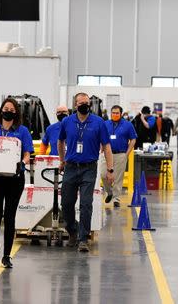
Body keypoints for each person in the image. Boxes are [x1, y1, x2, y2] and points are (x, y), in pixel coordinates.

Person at [0, 98, 34, 269]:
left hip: (15, 179)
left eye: (11, 108)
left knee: (10, 216)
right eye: (5, 108)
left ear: (15, 112)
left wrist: (23, 164)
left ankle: (7, 255)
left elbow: (27, 153)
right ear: (1, 110)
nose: (8, 110)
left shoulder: (22, 131)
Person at [58, 93, 115, 253]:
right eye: (81, 103)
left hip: (89, 168)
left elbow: (107, 146)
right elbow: (60, 141)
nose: (85, 105)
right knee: (66, 204)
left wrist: (110, 169)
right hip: (70, 167)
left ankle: (83, 239)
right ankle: (72, 231)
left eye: (87, 103)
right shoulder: (67, 122)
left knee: (85, 204)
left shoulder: (98, 122)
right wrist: (62, 161)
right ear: (75, 105)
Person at [99, 105, 137, 207]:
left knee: (118, 178)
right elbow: (99, 137)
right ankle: (109, 192)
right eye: (113, 113)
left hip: (120, 154)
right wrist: (100, 148)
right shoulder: (105, 124)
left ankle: (116, 199)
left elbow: (133, 139)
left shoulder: (128, 125)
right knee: (103, 174)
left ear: (121, 114)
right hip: (106, 154)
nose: (115, 115)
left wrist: (127, 153)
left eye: (117, 113)